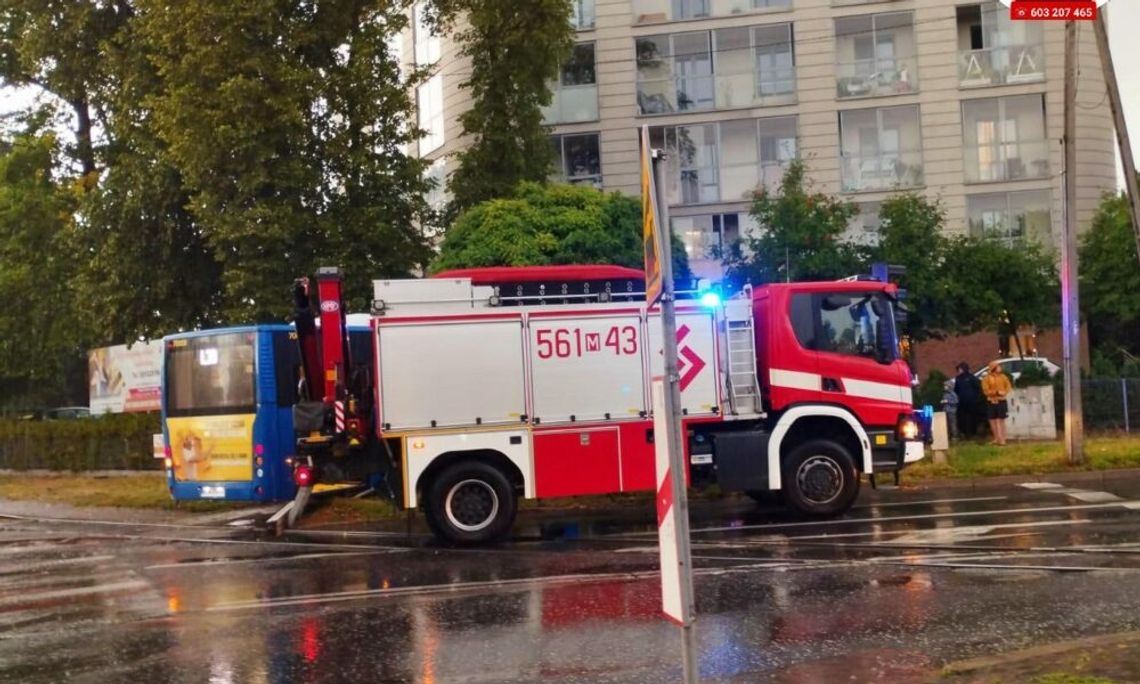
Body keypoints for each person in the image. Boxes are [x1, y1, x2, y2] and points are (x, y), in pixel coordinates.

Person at [982, 361, 1013, 446]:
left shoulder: (1003, 377)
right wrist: (995, 392)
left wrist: (1004, 392)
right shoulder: (987, 378)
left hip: (1001, 401)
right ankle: (996, 438)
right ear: (994, 369)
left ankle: (1002, 438)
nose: (1000, 368)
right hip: (991, 401)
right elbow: (985, 390)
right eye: (998, 366)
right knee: (992, 420)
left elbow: (1008, 387)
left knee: (1001, 420)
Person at [952, 362, 983, 438]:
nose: (959, 370)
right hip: (962, 402)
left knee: (972, 417)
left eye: (960, 369)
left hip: (972, 402)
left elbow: (978, 388)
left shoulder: (971, 377)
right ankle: (965, 433)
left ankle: (972, 433)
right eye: (958, 369)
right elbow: (956, 389)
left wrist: (976, 397)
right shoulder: (958, 379)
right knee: (963, 418)